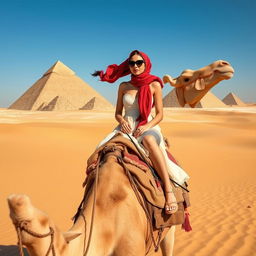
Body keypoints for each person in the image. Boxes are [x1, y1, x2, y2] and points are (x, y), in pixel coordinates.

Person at [92, 50, 189, 214]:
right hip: (126, 127)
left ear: (146, 64)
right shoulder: (123, 86)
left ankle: (168, 191)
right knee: (102, 153)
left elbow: (160, 114)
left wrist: (146, 126)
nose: (135, 66)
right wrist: (122, 121)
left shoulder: (154, 85)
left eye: (139, 63)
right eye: (132, 63)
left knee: (150, 142)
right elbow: (117, 112)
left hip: (148, 125)